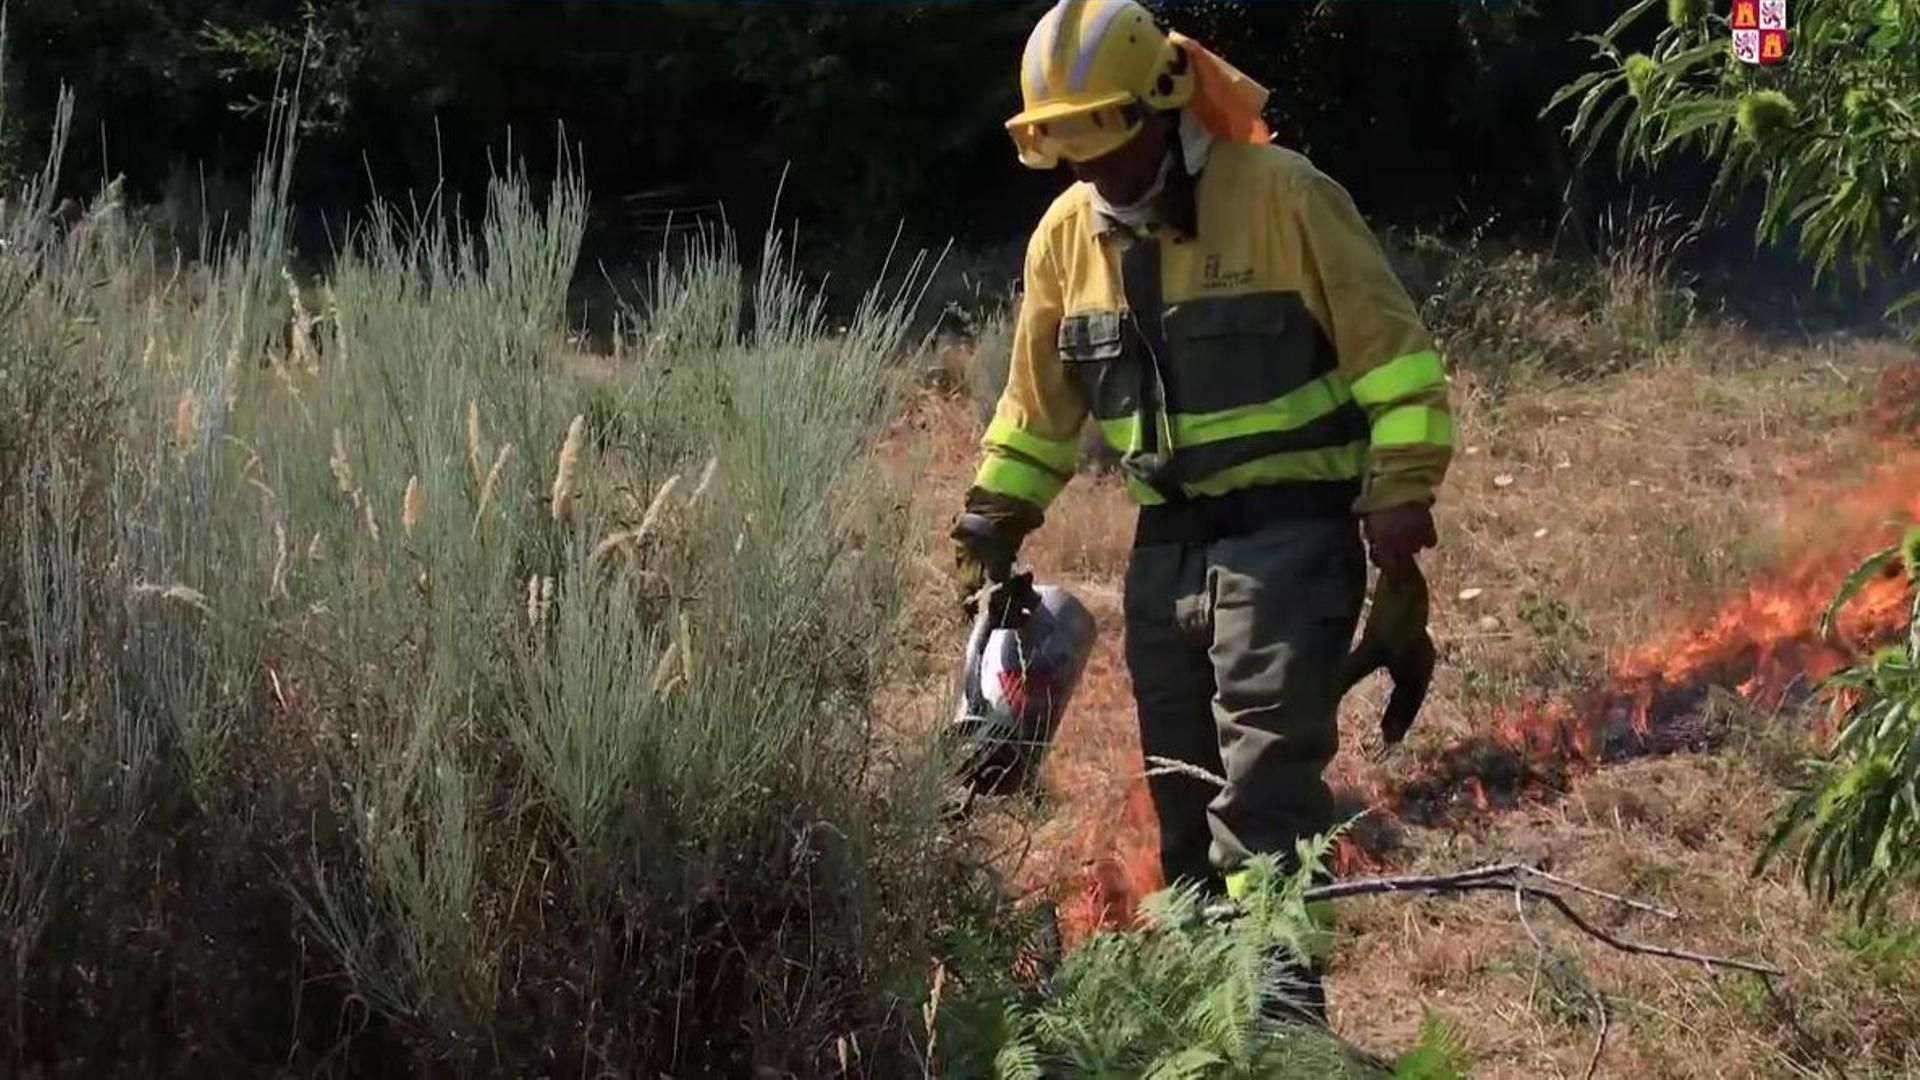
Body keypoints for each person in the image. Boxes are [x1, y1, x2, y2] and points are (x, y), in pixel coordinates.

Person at [950, 0, 1455, 1019]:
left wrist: (1399, 496)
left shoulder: (1285, 196)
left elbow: (1393, 358)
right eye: (1075, 154)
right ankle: (1202, 1018)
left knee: (1262, 804)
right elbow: (1036, 408)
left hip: (1292, 534)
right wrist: (992, 518)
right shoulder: (1065, 239)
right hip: (1166, 550)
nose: (1098, 174)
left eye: (1111, 144)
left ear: (1163, 105)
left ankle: (1280, 1027)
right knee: (1183, 800)